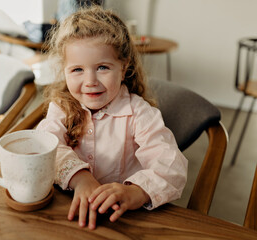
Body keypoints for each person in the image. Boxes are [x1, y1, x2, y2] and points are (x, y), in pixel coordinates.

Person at [36, 6, 188, 230]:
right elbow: (45, 145)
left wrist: (136, 191)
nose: (90, 81)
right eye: (77, 69)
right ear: (64, 70)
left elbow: (172, 167)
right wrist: (80, 177)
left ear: (123, 67)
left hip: (123, 219)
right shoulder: (62, 107)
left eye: (102, 67)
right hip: (68, 212)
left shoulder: (140, 114)